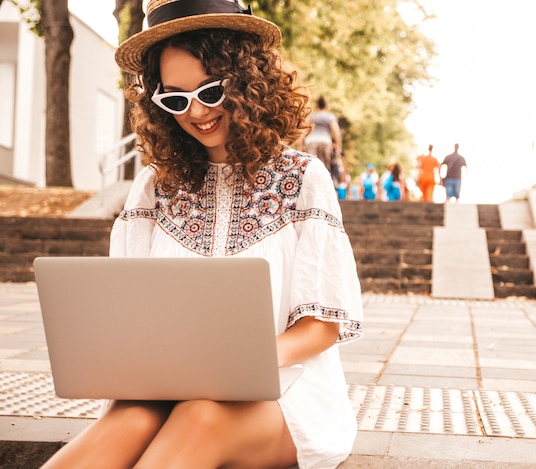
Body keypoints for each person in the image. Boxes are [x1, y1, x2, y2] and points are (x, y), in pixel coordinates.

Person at [41, 1, 363, 468]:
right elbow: (128, 319)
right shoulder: (151, 188)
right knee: (126, 422)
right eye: (174, 99)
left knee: (200, 417)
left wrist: (230, 366)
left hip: (286, 390)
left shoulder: (302, 178)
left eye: (209, 91)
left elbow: (321, 327)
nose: (195, 112)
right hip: (166, 387)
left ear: (247, 80)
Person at [304, 96, 343, 185]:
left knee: (311, 166)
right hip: (325, 142)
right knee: (325, 168)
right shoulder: (330, 116)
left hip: (311, 142)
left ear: (317, 107)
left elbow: (304, 131)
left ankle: (312, 185)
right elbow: (336, 132)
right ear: (326, 107)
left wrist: (300, 146)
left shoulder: (311, 117)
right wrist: (338, 147)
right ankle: (324, 186)